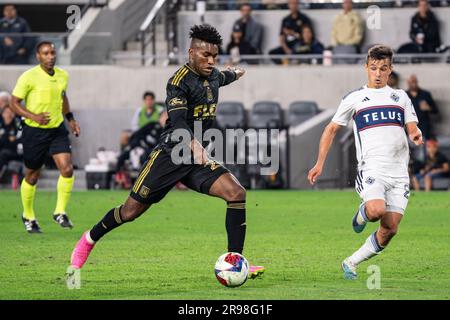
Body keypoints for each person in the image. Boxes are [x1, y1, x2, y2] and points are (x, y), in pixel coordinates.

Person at [68, 24, 265, 281]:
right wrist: (194, 145)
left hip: (195, 161)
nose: (211, 61)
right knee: (130, 212)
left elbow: (226, 76)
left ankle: (235, 261)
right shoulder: (178, 82)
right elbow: (179, 121)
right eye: (205, 55)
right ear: (191, 52)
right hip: (170, 156)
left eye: (215, 56)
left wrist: (237, 72)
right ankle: (88, 239)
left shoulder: (214, 75)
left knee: (236, 193)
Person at [308, 45, 423, 280]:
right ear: (366, 68)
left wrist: (415, 134)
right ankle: (363, 212)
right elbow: (330, 130)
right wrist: (319, 163)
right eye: (373, 68)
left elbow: (412, 126)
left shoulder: (400, 97)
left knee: (390, 229)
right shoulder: (355, 98)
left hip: (399, 172)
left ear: (390, 69)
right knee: (376, 210)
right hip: (372, 168)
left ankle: (351, 262)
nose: (378, 73)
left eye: (383, 68)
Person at [9, 41, 81, 233]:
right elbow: (13, 103)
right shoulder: (29, 77)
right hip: (34, 131)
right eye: (46, 53)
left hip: (57, 128)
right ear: (38, 56)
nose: (50, 56)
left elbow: (63, 97)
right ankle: (28, 215)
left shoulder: (62, 75)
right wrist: (33, 116)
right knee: (32, 175)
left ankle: (59, 212)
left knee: (67, 169)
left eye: (52, 53)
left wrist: (70, 119)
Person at [268, 0, 312, 65]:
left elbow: (307, 37)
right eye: (291, 4)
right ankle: (285, 64)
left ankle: (293, 62)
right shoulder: (285, 20)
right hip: (287, 45)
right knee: (272, 53)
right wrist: (286, 49)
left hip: (299, 45)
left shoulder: (304, 19)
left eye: (295, 4)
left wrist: (292, 33)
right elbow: (281, 37)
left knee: (301, 51)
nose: (293, 6)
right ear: (288, 5)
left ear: (298, 5)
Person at [406, 74, 439, 140]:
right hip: (409, 129)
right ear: (408, 83)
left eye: (415, 82)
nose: (414, 84)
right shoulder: (404, 95)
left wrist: (428, 108)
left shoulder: (425, 94)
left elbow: (436, 111)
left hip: (424, 129)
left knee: (423, 149)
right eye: (412, 82)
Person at [0, 94, 22, 180]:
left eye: (9, 112)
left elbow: (18, 139)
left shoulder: (16, 123)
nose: (7, 114)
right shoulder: (1, 123)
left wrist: (6, 137)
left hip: (15, 151)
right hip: (3, 149)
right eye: (5, 112)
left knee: (3, 154)